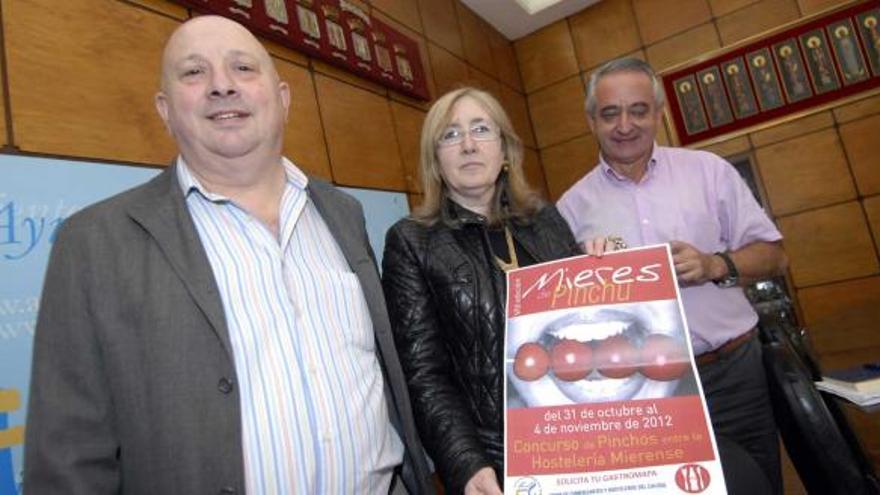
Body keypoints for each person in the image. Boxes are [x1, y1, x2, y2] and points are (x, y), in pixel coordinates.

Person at [24, 15, 432, 495]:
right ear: (165, 109)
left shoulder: (343, 213)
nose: (222, 86)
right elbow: (68, 460)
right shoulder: (94, 242)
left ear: (282, 99)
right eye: (194, 73)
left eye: (242, 68)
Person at [557, 57, 788, 493]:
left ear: (659, 114)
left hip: (733, 375)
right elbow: (567, 320)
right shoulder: (569, 209)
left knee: (758, 486)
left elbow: (775, 257)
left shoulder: (710, 172)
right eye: (610, 113)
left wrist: (716, 265)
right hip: (643, 396)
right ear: (591, 121)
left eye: (639, 110)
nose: (625, 125)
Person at [381, 87, 581, 495]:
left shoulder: (547, 221)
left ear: (505, 151)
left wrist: (603, 268)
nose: (468, 145)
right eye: (450, 135)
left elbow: (585, 322)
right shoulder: (412, 242)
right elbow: (422, 375)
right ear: (436, 160)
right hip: (495, 459)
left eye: (480, 129)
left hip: (579, 435)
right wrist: (465, 462)